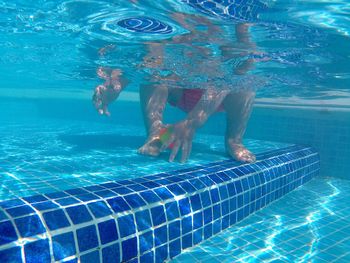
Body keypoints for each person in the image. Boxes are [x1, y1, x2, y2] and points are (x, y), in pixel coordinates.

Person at [93, 14, 262, 163]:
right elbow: (148, 65)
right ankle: (155, 134)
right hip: (179, 92)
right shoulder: (169, 34)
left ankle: (234, 141)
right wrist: (117, 84)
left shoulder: (230, 36)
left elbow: (225, 80)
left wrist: (192, 121)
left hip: (218, 100)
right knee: (155, 73)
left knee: (244, 86)